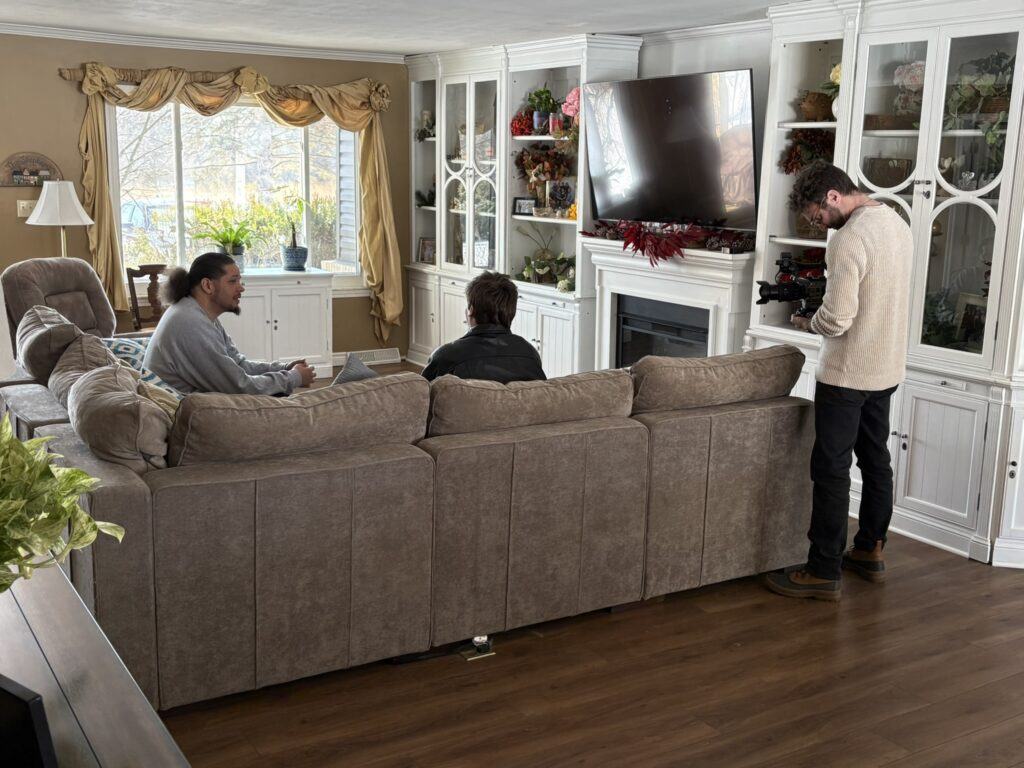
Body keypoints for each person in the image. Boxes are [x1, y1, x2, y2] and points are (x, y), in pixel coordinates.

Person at [765, 160, 913, 601]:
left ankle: (823, 569)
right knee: (875, 459)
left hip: (847, 373)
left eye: (818, 216)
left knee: (831, 469)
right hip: (886, 368)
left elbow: (837, 319)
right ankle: (869, 548)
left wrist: (807, 322)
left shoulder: (848, 240)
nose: (819, 226)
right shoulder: (896, 222)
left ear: (833, 196)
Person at [143, 252, 316, 396]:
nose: (241, 288)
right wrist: (293, 378)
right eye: (233, 281)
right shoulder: (190, 323)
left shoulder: (199, 314)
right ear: (207, 285)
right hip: (188, 414)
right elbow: (240, 386)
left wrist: (284, 368)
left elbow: (239, 365)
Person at [421, 271, 546, 383]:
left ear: (470, 310)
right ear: (511, 312)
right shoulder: (530, 355)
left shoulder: (445, 357)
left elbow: (422, 400)